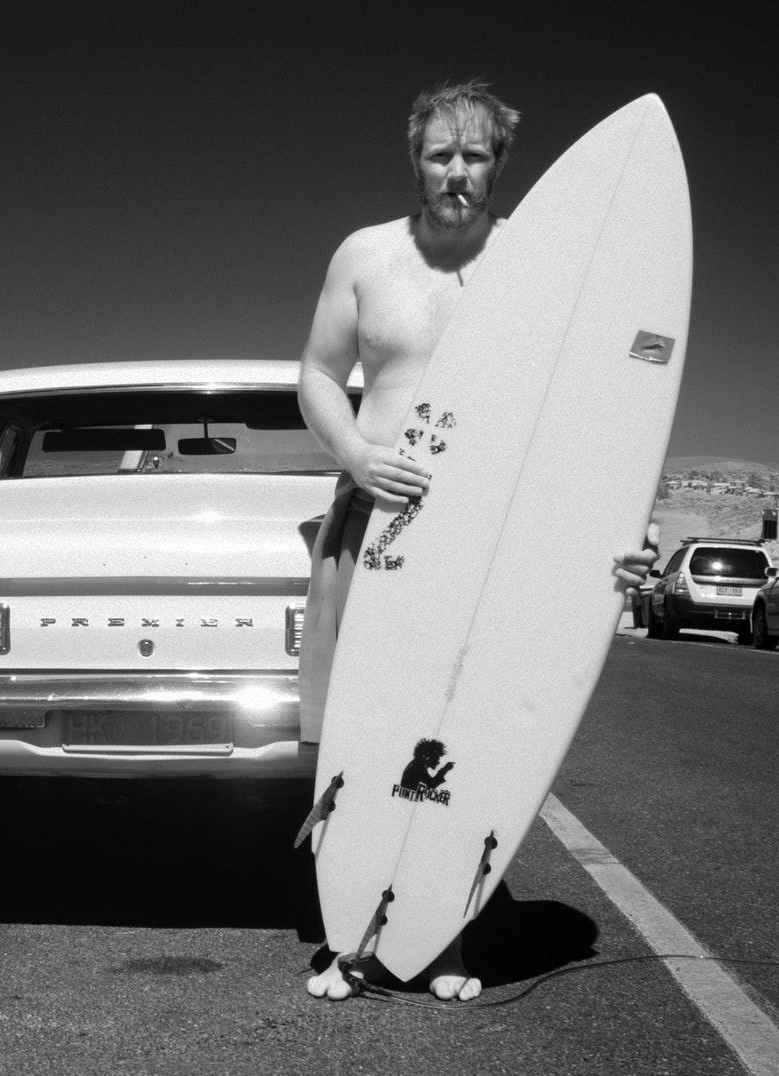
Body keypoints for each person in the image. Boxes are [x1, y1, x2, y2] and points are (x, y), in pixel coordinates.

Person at [295, 80, 658, 1002]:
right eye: (440, 154)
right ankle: (350, 935)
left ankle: (441, 937)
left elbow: (597, 415)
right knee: (362, 727)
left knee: (467, 730)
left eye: (477, 155)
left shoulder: (540, 268)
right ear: (415, 159)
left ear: (502, 164)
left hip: (496, 546)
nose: (458, 171)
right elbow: (316, 374)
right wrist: (356, 454)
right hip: (379, 521)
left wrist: (616, 531)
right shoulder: (366, 255)